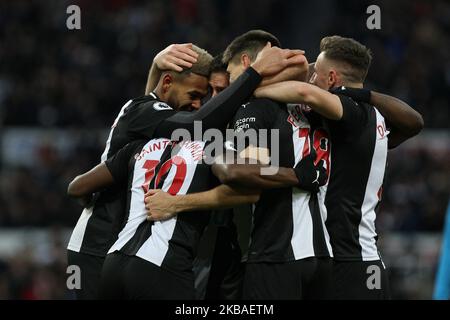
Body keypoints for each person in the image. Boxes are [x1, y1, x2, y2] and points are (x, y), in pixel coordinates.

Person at [66, 42, 303, 299]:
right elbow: (197, 126)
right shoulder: (144, 112)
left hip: (125, 250)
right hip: (99, 244)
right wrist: (254, 73)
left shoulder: (160, 127)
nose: (199, 103)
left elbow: (78, 187)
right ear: (167, 83)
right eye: (194, 95)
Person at [146, 30, 332, 300]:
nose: (215, 98)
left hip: (243, 253)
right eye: (209, 91)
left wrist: (175, 203)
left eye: (223, 89)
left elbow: (244, 182)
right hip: (223, 250)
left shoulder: (251, 112)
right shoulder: (306, 107)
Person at [252, 35, 424, 299]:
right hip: (364, 261)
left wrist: (249, 89)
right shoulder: (371, 119)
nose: (310, 79)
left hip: (350, 262)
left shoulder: (354, 114)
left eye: (315, 74)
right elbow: (413, 122)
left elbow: (304, 92)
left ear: (331, 79)